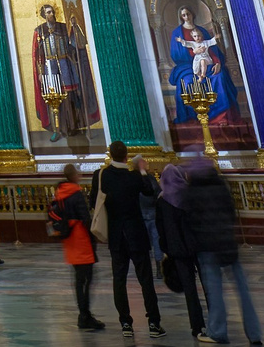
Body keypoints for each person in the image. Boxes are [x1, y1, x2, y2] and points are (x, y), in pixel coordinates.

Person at [180, 153, 261, 347]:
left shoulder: (192, 191)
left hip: (207, 247)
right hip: (228, 242)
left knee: (215, 292)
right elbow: (231, 212)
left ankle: (217, 331)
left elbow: (190, 220)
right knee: (243, 290)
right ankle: (255, 332)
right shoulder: (221, 185)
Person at [87, 143, 165, 335]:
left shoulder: (101, 175)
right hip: (136, 233)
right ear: (126, 156)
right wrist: (142, 170)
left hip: (116, 235)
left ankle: (126, 323)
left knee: (119, 279)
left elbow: (92, 201)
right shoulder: (134, 177)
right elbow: (149, 191)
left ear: (110, 155)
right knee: (145, 279)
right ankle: (154, 323)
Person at [153, 159, 206, 336]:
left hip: (177, 249)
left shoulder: (162, 200)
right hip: (196, 245)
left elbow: (160, 228)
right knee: (208, 286)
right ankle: (215, 321)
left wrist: (166, 248)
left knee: (190, 289)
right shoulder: (189, 194)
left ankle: (196, 326)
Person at [50, 163, 105, 331]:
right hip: (81, 240)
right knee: (86, 279)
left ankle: (84, 314)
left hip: (69, 241)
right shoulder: (76, 193)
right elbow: (85, 217)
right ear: (74, 176)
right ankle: (84, 315)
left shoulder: (59, 193)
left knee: (79, 279)